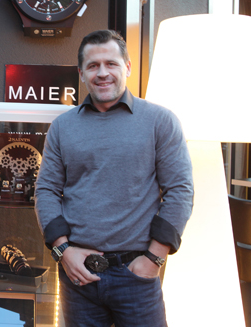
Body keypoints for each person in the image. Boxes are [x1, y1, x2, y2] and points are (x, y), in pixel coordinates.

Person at [34, 30, 194, 327]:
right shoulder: (62, 127)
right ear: (81, 73)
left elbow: (180, 191)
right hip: (77, 276)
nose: (102, 73)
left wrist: (153, 260)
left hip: (136, 275)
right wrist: (63, 251)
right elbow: (45, 191)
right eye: (93, 66)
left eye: (111, 63)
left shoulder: (160, 121)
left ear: (128, 67)